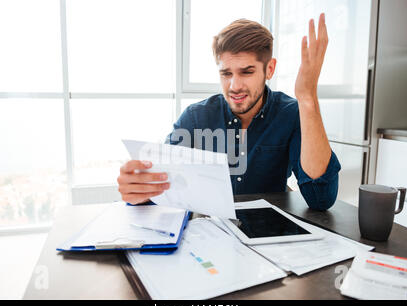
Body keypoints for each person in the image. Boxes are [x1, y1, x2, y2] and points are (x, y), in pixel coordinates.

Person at [117, 13, 341, 211]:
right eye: (226, 73)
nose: (234, 86)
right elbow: (162, 187)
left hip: (267, 237)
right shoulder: (195, 118)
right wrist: (139, 191)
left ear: (269, 69)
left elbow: (320, 199)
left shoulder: (291, 114)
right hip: (206, 235)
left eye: (246, 72)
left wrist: (308, 99)